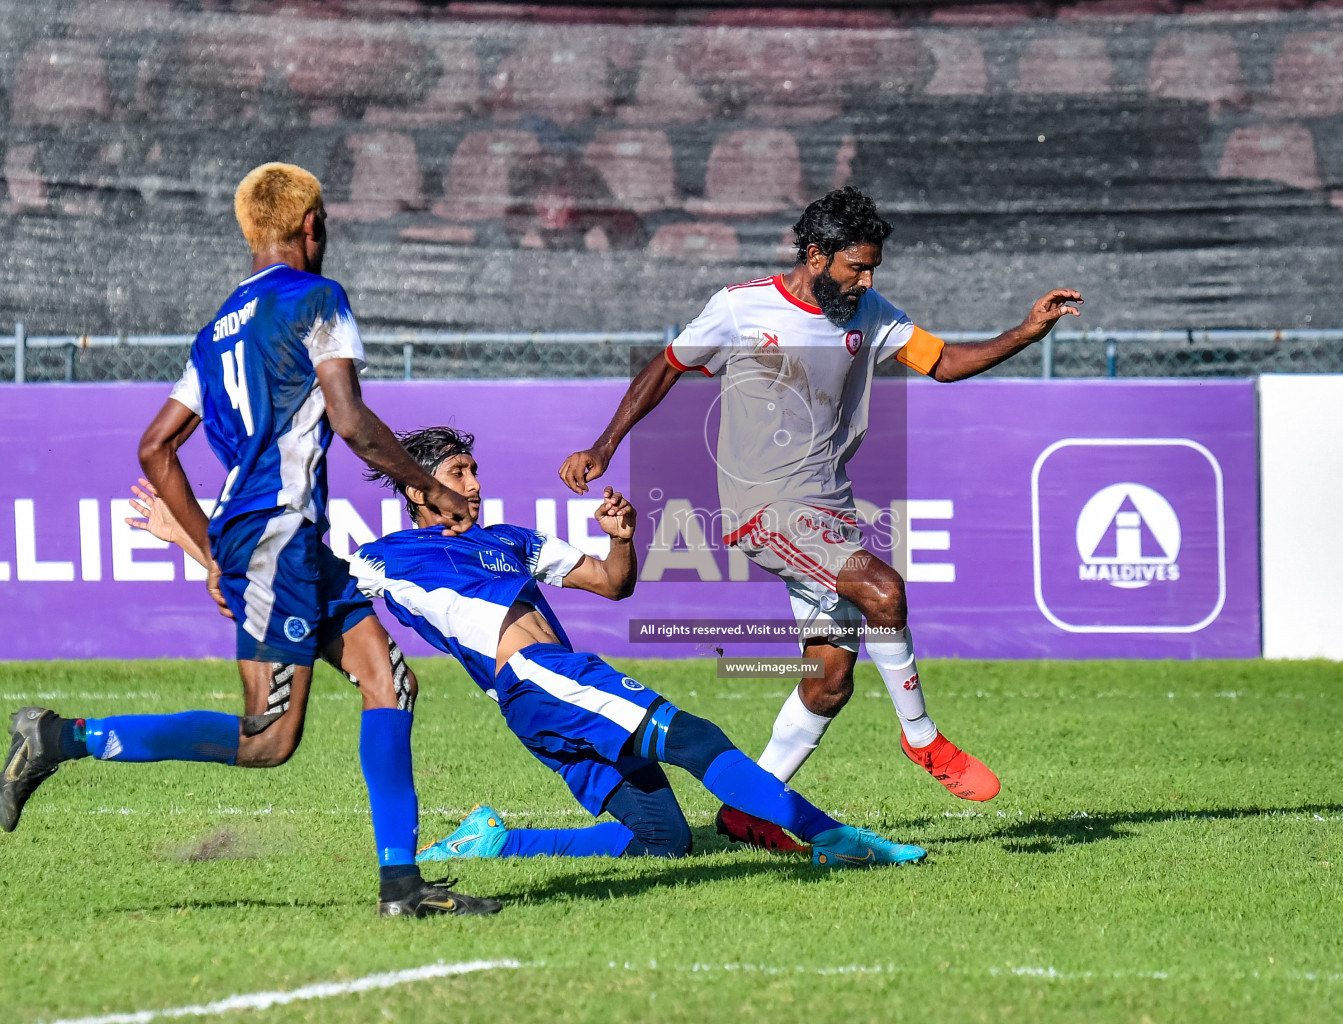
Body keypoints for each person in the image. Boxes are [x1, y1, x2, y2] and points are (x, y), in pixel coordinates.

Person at [0, 163, 498, 918]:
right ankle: (63, 738)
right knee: (268, 738)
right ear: (311, 226)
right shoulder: (317, 299)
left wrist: (214, 549)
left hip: (275, 538)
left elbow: (154, 449)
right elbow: (352, 420)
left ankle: (403, 888)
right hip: (276, 537)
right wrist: (428, 487)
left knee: (388, 680)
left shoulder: (216, 331)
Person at [132, 426, 921, 868]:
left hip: (550, 697)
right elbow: (277, 577)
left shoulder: (512, 539)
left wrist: (625, 540)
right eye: (457, 473)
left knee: (667, 841)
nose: (473, 484)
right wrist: (188, 537)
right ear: (416, 489)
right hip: (542, 682)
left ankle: (500, 840)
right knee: (697, 737)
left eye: (476, 470)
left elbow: (612, 585)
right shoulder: (385, 558)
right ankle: (832, 839)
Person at [559, 186, 1084, 847]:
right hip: (765, 509)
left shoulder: (868, 312)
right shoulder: (740, 307)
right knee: (885, 590)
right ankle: (922, 739)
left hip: (826, 509)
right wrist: (605, 445)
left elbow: (944, 363)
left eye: (872, 269)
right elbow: (665, 369)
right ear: (816, 254)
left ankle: (748, 809)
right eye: (856, 267)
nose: (865, 279)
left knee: (830, 678)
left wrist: (1025, 332)